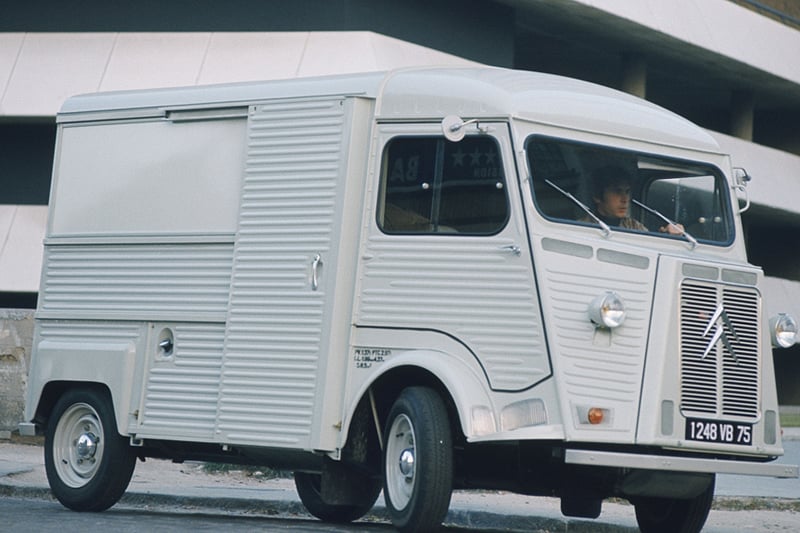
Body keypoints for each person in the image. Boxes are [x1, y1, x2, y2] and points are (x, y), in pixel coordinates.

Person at [583, 165, 684, 235]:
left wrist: (666, 235)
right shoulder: (583, 227)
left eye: (627, 192)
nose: (625, 199)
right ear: (597, 196)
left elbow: (648, 245)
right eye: (618, 191)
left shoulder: (633, 226)